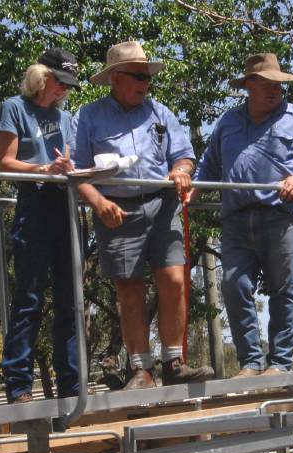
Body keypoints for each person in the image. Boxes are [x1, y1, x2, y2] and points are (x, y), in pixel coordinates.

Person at [73, 41, 213, 389]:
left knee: (175, 279)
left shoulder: (161, 112)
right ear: (116, 77)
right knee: (128, 288)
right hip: (116, 209)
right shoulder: (88, 116)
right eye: (139, 75)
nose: (146, 82)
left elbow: (184, 155)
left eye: (148, 76)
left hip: (163, 204)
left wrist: (181, 170)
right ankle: (140, 370)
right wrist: (97, 202)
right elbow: (75, 172)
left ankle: (173, 363)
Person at [197, 52, 293, 377]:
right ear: (249, 86)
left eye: (280, 85)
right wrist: (194, 191)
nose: (276, 90)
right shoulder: (228, 122)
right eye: (269, 84)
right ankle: (251, 362)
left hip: (281, 215)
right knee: (233, 285)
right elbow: (210, 163)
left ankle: (280, 362)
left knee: (283, 288)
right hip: (235, 218)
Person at [0, 49, 81, 404]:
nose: (63, 91)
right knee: (29, 298)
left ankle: (72, 386)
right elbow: (5, 163)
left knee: (70, 301)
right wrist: (43, 170)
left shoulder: (66, 118)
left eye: (68, 87)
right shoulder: (14, 107)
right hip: (34, 204)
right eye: (60, 83)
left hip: (66, 204)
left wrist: (69, 168)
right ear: (42, 77)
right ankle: (19, 387)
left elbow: (71, 161)